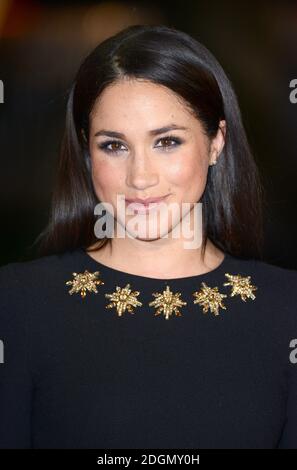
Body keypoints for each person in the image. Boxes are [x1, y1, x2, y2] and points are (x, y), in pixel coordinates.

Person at [0, 24, 296, 449]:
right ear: (87, 151)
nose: (140, 177)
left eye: (167, 142)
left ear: (216, 142)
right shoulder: (17, 304)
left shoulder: (287, 310)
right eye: (114, 146)